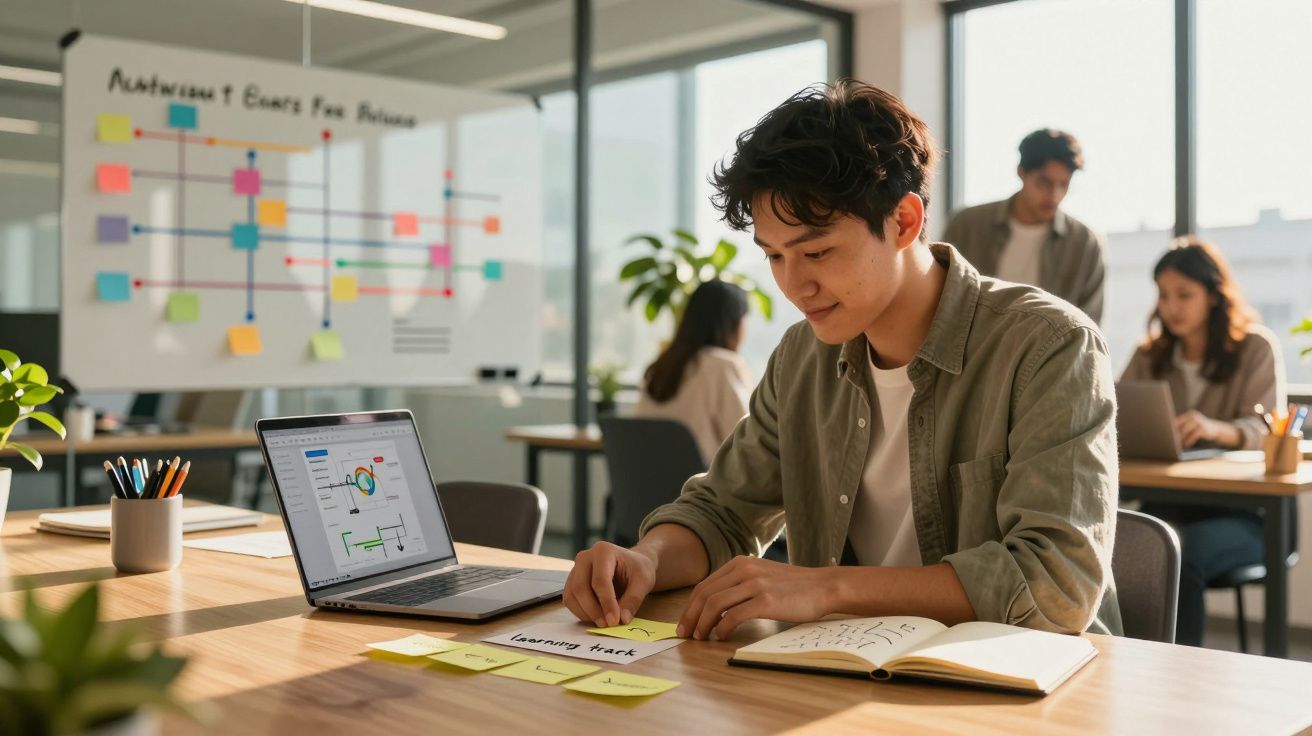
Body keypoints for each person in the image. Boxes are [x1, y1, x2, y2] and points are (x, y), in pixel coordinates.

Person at [563, 79, 1122, 641]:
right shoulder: (802, 357)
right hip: (844, 672)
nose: (795, 285)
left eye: (816, 251)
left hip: (1018, 693)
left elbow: (1057, 584)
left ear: (904, 222)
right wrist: (649, 559)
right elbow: (724, 510)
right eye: (775, 257)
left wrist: (826, 587)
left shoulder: (1050, 345)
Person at [1120, 237, 1284, 646]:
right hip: (1168, 501)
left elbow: (1268, 428)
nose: (1171, 306)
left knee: (1179, 554)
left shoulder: (1255, 347)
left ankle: (1180, 680)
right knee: (1122, 544)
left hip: (1244, 513)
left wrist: (1217, 429)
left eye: (1184, 295)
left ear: (1213, 295)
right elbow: (1115, 416)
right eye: (1163, 295)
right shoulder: (1149, 355)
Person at [942, 129, 1106, 324]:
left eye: (1064, 184)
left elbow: (1090, 327)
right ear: (1021, 172)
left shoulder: (1085, 244)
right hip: (968, 352)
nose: (1054, 194)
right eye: (1044, 182)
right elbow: (940, 300)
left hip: (1050, 354)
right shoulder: (967, 225)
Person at [635, 279, 754, 464]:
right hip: (706, 490)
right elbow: (750, 444)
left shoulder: (658, 367)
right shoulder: (722, 365)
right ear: (732, 322)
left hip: (647, 490)